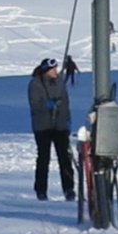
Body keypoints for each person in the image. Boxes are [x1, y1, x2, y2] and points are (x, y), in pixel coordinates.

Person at [28, 58, 75, 201]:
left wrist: (67, 121)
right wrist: (48, 105)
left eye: (56, 68)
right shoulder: (35, 84)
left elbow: (66, 103)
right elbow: (35, 105)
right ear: (46, 71)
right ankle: (41, 190)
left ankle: (69, 189)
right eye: (52, 69)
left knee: (65, 158)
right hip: (43, 127)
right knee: (43, 158)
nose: (56, 71)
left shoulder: (60, 82)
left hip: (60, 126)